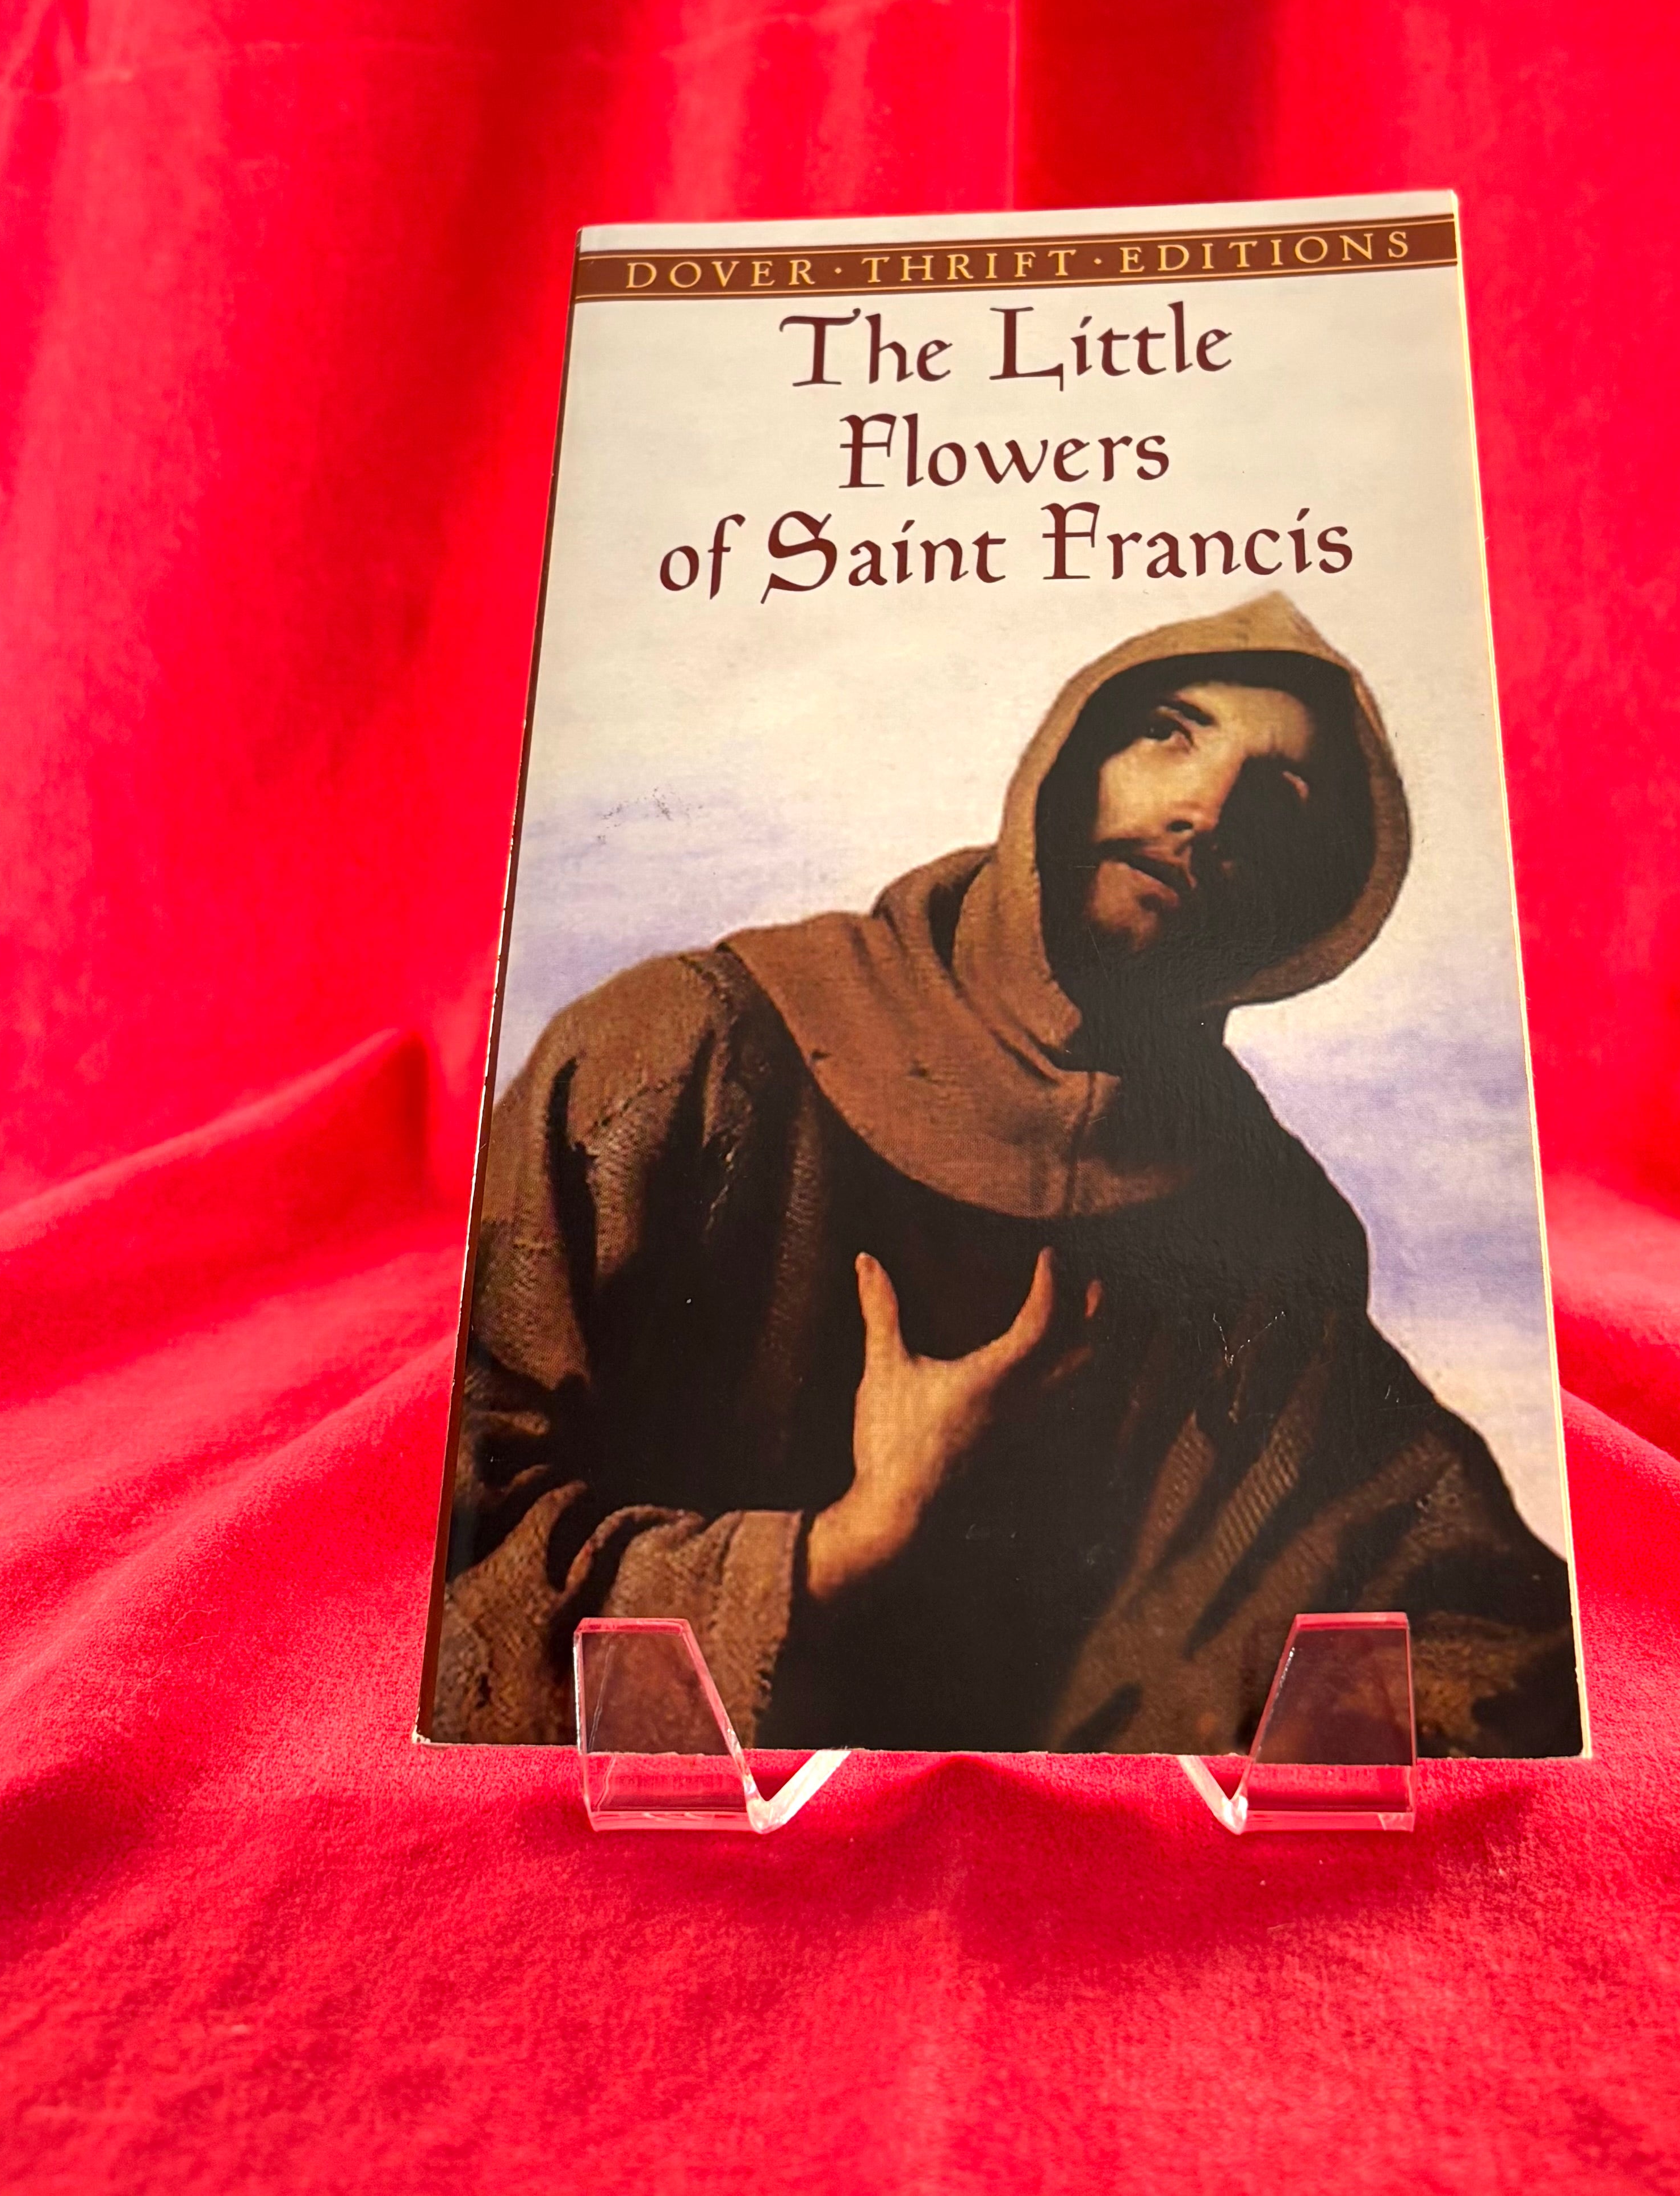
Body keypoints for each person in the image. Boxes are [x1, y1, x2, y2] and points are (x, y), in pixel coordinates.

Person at [424, 593, 1579, 1756]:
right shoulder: (680, 1056)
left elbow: (1477, 1617)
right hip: (710, 1841)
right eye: (1167, 733)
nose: (1204, 812)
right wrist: (839, 1548)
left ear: (1309, 900)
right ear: (1065, 763)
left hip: (1084, 1861)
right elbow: (456, 1560)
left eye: (1277, 802)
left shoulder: (1269, 1235)